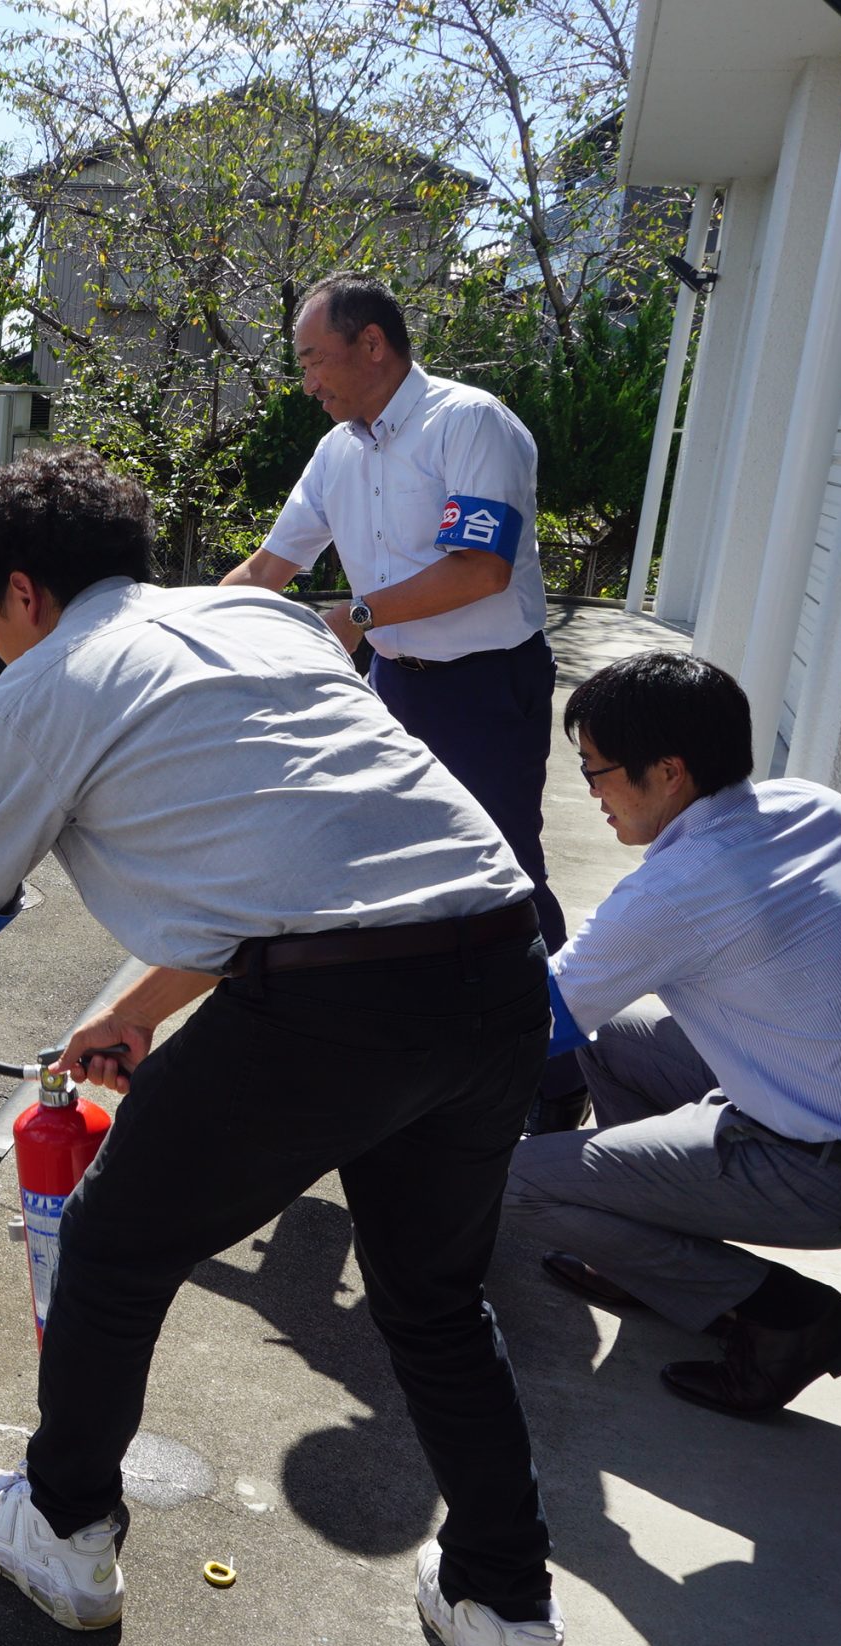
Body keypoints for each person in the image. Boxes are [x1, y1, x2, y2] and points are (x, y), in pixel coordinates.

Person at [0, 448, 568, 1646]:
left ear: (20, 593)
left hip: (334, 1007)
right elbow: (307, 839)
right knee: (432, 1302)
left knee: (112, 1250)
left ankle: (62, 1533)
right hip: (495, 966)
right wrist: (138, 1010)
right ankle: (507, 1614)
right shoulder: (256, 616)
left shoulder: (47, 684)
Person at [508, 651, 841, 1417]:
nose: (591, 795)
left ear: (670, 772)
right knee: (608, 1028)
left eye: (597, 771)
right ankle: (642, 1252)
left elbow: (527, 1027)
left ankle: (788, 1320)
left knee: (517, 1182)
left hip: (834, 1175)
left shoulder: (676, 892)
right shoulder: (815, 806)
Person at [221, 275, 583, 1128]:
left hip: (486, 687)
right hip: (392, 689)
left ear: (372, 344)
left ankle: (558, 1082)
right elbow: (268, 570)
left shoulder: (469, 423)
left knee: (506, 883)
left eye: (314, 358)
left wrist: (357, 615)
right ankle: (415, 1066)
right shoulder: (338, 452)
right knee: (383, 880)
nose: (306, 380)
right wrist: (185, 634)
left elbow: (480, 569)